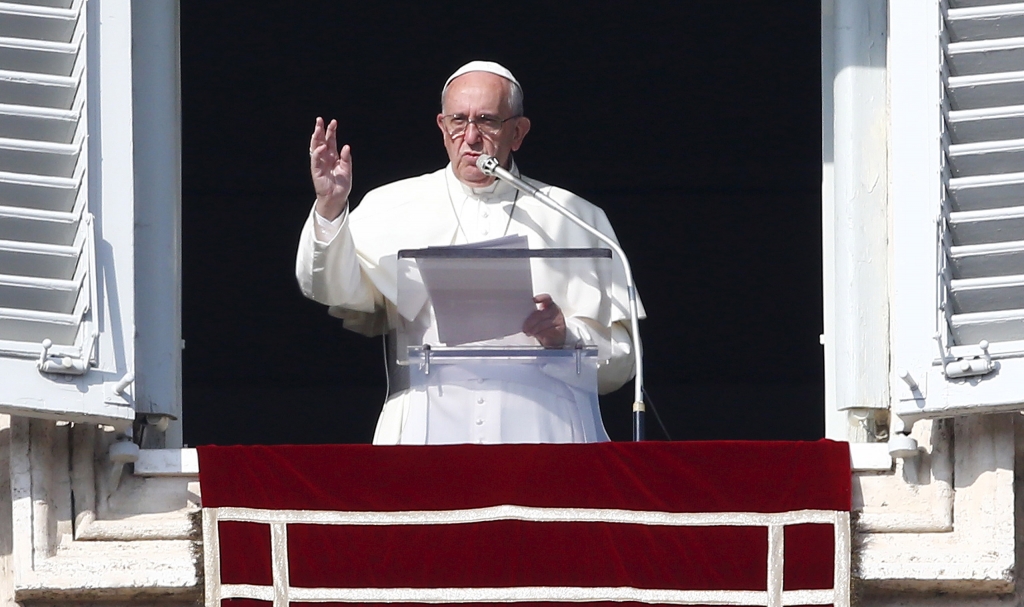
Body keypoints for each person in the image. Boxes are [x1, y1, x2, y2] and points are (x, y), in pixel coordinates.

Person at [295, 61, 642, 445]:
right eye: (458, 121)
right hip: (425, 434)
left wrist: (566, 337)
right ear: (442, 127)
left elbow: (624, 363)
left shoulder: (575, 216)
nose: (471, 137)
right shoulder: (391, 204)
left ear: (518, 133)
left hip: (548, 433)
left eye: (488, 121)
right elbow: (331, 289)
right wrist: (329, 208)